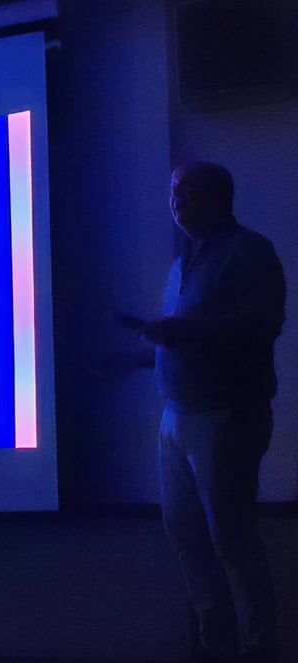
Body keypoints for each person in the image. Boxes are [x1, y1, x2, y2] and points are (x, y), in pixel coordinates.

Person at [140, 161, 285, 661]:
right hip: (175, 418)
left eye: (187, 190)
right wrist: (141, 355)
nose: (176, 199)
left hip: (226, 416)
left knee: (230, 535)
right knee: (183, 532)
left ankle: (257, 648)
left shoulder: (250, 252)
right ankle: (215, 642)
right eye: (173, 190)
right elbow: (181, 335)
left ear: (220, 196)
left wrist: (186, 333)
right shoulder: (181, 263)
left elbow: (263, 323)